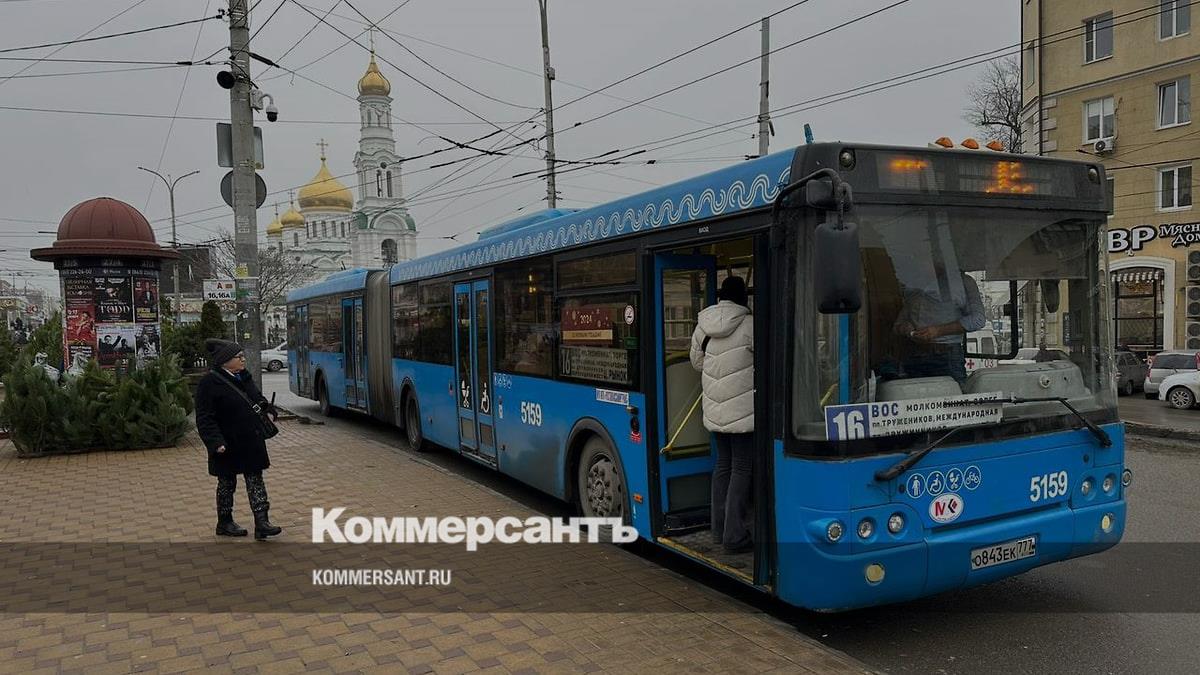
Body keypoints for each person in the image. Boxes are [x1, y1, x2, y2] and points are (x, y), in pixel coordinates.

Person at [690, 275, 755, 555]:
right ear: (743, 297)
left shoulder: (703, 326)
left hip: (715, 411)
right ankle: (734, 535)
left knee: (723, 466)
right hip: (743, 413)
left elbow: (697, 363)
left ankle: (718, 530)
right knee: (742, 468)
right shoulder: (749, 324)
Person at [195, 339, 283, 539]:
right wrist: (215, 442)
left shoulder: (244, 376)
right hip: (227, 443)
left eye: (243, 356)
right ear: (225, 360)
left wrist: (268, 409)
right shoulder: (209, 382)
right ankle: (224, 522)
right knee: (227, 483)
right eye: (239, 357)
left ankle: (262, 523)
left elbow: (257, 398)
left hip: (251, 439)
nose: (243, 360)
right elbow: (204, 417)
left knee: (255, 480)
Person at [893, 268, 985, 386]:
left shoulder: (962, 282)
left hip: (946, 355)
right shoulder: (912, 284)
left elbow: (978, 319)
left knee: (953, 396)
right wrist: (906, 329)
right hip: (913, 355)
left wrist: (938, 331)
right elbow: (898, 324)